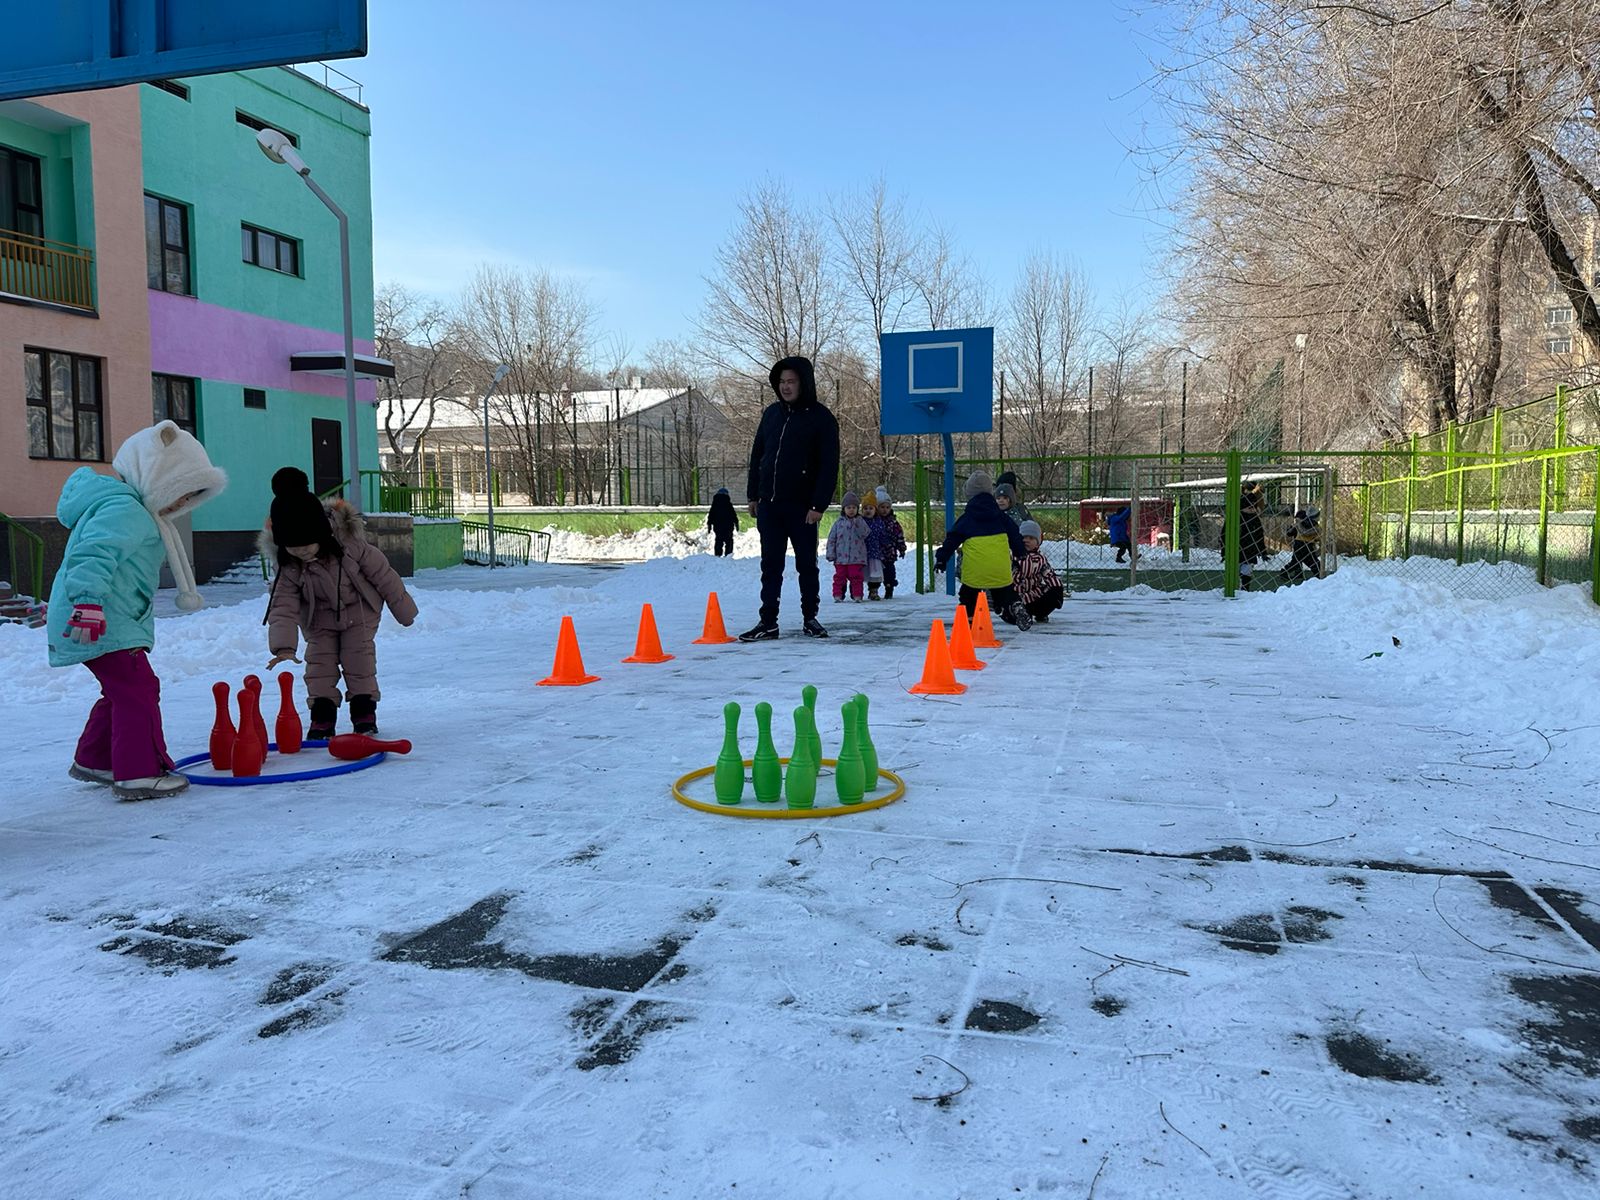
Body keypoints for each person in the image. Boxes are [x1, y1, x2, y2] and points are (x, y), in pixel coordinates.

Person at [50, 420, 227, 801]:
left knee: (122, 690)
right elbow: (93, 554)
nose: (181, 503)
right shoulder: (124, 510)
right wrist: (87, 604)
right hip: (100, 618)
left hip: (110, 616)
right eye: (180, 491)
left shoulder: (126, 508)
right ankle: (140, 772)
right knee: (138, 690)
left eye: (190, 496)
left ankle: (96, 759)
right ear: (157, 476)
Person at [263, 467, 418, 737]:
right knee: (319, 666)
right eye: (292, 546)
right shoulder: (289, 567)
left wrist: (404, 610)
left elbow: (384, 576)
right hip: (318, 620)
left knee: (358, 661)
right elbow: (282, 606)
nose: (301, 551)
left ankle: (363, 713)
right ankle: (322, 717)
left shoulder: (351, 547)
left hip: (358, 612)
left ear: (321, 534)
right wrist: (283, 646)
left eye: (306, 544)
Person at [740, 355, 840, 641]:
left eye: (791, 381)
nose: (785, 387)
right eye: (781, 382)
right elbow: (758, 455)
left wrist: (818, 505)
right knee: (770, 566)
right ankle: (768, 622)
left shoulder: (821, 419)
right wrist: (754, 494)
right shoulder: (772, 414)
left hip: (803, 508)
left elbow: (829, 465)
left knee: (806, 565)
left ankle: (810, 618)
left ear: (803, 383)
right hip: (770, 505)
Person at [934, 470, 1032, 630]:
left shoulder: (967, 518)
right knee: (1005, 592)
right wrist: (1020, 552)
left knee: (968, 595)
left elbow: (952, 539)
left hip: (975, 570)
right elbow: (1015, 534)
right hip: (1000, 568)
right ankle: (1014, 604)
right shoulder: (1001, 516)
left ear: (969, 494)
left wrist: (942, 558)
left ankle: (970, 621)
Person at [1013, 520, 1065, 623]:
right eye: (1023, 537)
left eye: (1031, 538)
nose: (1026, 540)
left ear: (1038, 542)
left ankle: (1041, 613)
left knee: (1052, 590)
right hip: (1016, 595)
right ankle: (1017, 614)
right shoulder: (1013, 556)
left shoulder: (1040, 559)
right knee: (1011, 603)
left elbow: (1049, 574)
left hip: (1033, 594)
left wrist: (1057, 587)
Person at [826, 491, 871, 602]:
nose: (851, 510)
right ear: (844, 509)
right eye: (848, 507)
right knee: (839, 577)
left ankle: (857, 595)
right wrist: (831, 553)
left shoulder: (860, 521)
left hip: (856, 558)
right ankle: (838, 595)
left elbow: (865, 533)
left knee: (856, 577)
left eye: (854, 507)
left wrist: (858, 524)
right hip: (840, 558)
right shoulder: (838, 523)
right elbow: (832, 539)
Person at [866, 486, 908, 600]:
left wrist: (901, 547)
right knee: (874, 573)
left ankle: (889, 588)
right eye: (882, 507)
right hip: (875, 553)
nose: (885, 510)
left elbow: (899, 535)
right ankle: (873, 590)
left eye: (887, 507)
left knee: (889, 572)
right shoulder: (872, 521)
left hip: (889, 553)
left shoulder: (893, 522)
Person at [1228, 482, 1269, 590]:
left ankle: (1245, 589)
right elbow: (1224, 534)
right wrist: (1224, 551)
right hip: (1235, 550)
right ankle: (1233, 589)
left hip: (1250, 551)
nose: (1251, 510)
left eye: (1253, 508)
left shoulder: (1255, 519)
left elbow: (1260, 536)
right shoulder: (1235, 518)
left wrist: (1263, 552)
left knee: (1247, 572)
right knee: (1235, 572)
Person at [1282, 506, 1323, 585]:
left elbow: (1290, 533)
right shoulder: (1314, 526)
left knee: (1298, 561)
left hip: (1301, 544)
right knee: (1306, 562)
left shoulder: (1300, 524)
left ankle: (1286, 571)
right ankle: (1317, 575)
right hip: (1303, 544)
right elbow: (1309, 534)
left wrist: (1293, 527)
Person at [707, 486, 739, 557]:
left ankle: (718, 555)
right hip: (728, 526)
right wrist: (736, 523)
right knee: (729, 541)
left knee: (718, 540)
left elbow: (711, 515)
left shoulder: (715, 504)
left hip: (717, 526)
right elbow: (733, 514)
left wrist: (709, 525)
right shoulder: (728, 504)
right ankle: (728, 554)